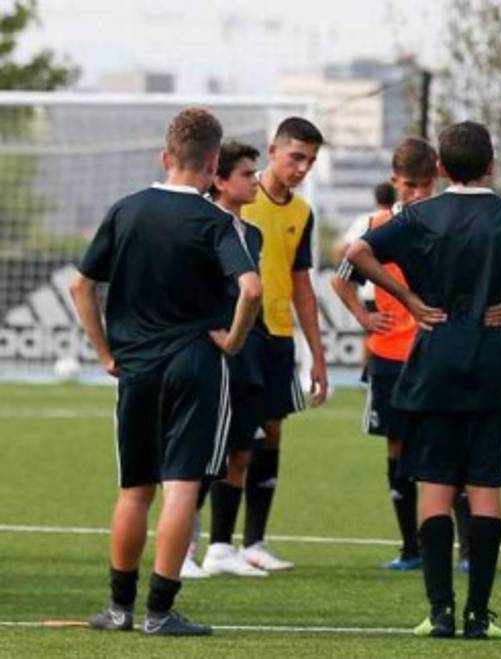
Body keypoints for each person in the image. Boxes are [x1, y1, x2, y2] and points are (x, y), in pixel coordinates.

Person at [342, 121, 501, 639]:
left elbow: (357, 254)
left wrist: (407, 299)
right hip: (489, 359)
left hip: (431, 359)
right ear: (491, 166)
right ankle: (478, 614)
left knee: (434, 486)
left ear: (441, 169)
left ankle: (440, 611)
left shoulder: (421, 214)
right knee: (484, 489)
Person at [71, 108, 262, 635]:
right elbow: (251, 288)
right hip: (195, 363)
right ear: (212, 164)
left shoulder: (126, 209)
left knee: (135, 489)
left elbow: (81, 286)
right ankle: (160, 611)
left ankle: (118, 608)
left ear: (165, 156)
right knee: (180, 487)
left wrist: (104, 352)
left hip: (136, 364)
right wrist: (235, 338)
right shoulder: (217, 221)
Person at [331, 139, 436, 571]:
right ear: (395, 183)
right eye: (409, 185)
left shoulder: (442, 224)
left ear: (438, 180)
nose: (416, 194)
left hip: (434, 353)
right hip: (390, 354)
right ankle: (409, 547)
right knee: (396, 447)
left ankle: (464, 550)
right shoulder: (376, 228)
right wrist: (364, 318)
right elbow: (341, 281)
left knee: (446, 447)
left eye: (424, 185)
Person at [237, 117, 329, 572]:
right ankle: (205, 544)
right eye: (296, 157)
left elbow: (303, 287)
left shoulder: (301, 213)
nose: (302, 168)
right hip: (238, 334)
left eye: (310, 161)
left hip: (277, 336)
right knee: (231, 439)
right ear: (272, 150)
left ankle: (254, 542)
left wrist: (317, 354)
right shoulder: (235, 196)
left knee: (272, 433)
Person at [198, 141, 274, 578]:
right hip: (212, 354)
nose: (256, 180)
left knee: (242, 451)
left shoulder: (255, 234)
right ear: (219, 180)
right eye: (247, 173)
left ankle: (221, 547)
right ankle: (185, 551)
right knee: (202, 454)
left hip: (247, 353)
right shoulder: (204, 226)